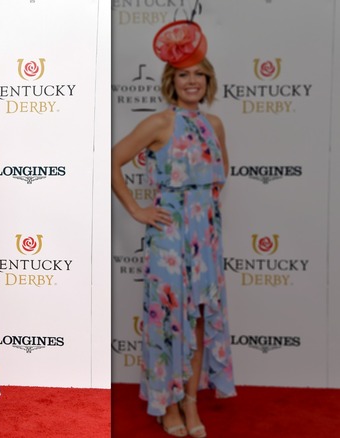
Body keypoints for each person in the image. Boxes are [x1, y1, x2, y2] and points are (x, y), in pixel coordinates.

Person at [111, 20, 236, 438]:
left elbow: (221, 176)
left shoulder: (214, 125)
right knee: (168, 321)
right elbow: (113, 160)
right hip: (169, 239)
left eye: (199, 74)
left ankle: (190, 402)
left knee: (198, 322)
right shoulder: (160, 123)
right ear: (172, 80)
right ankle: (165, 405)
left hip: (206, 241)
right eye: (184, 74)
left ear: (208, 80)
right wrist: (137, 209)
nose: (192, 81)